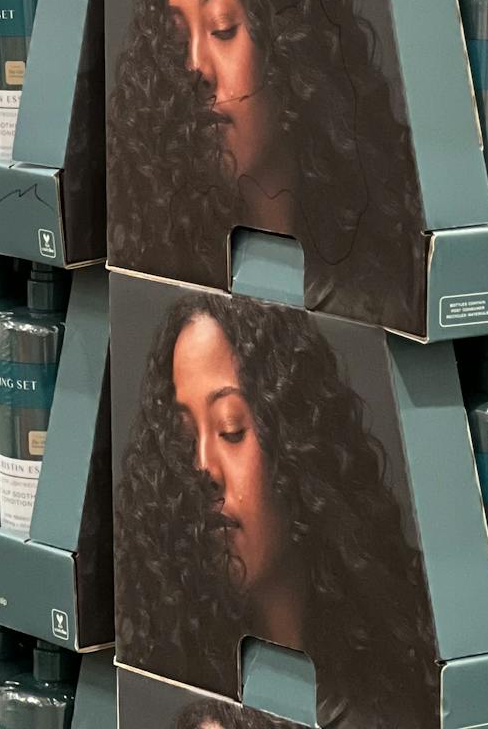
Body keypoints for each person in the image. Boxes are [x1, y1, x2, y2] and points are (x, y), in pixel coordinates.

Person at [116, 294, 438, 729]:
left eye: (231, 429)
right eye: (182, 438)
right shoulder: (190, 689)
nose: (202, 468)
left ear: (298, 447)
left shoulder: (386, 709)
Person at [107, 0, 425, 329]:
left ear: (290, 41)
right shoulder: (158, 271)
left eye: (222, 27)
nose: (194, 65)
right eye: (176, 39)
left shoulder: (386, 285)